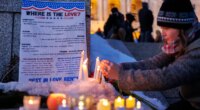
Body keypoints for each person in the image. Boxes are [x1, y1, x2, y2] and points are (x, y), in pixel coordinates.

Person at [100, 0, 200, 109]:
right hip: (189, 100)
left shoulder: (197, 50)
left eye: (166, 28)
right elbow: (154, 63)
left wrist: (121, 75)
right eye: (162, 28)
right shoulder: (182, 40)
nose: (163, 34)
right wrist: (121, 67)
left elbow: (165, 77)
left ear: (182, 28)